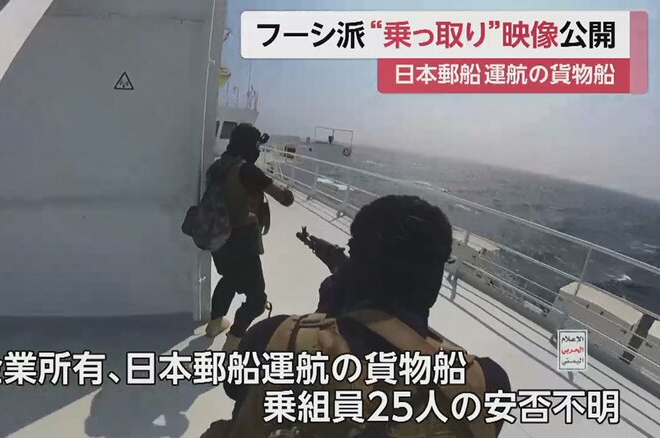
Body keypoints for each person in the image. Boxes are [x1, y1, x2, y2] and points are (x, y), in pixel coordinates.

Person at [207, 195, 511, 437]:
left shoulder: (272, 336)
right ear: (434, 280)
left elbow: (234, 388)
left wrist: (325, 315)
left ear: (355, 263)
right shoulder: (488, 382)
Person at [204, 123, 294, 352]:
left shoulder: (217, 166)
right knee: (257, 299)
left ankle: (214, 325)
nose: (257, 149)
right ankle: (233, 342)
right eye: (256, 145)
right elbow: (285, 199)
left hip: (217, 236)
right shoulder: (247, 170)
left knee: (229, 279)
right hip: (242, 241)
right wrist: (287, 192)